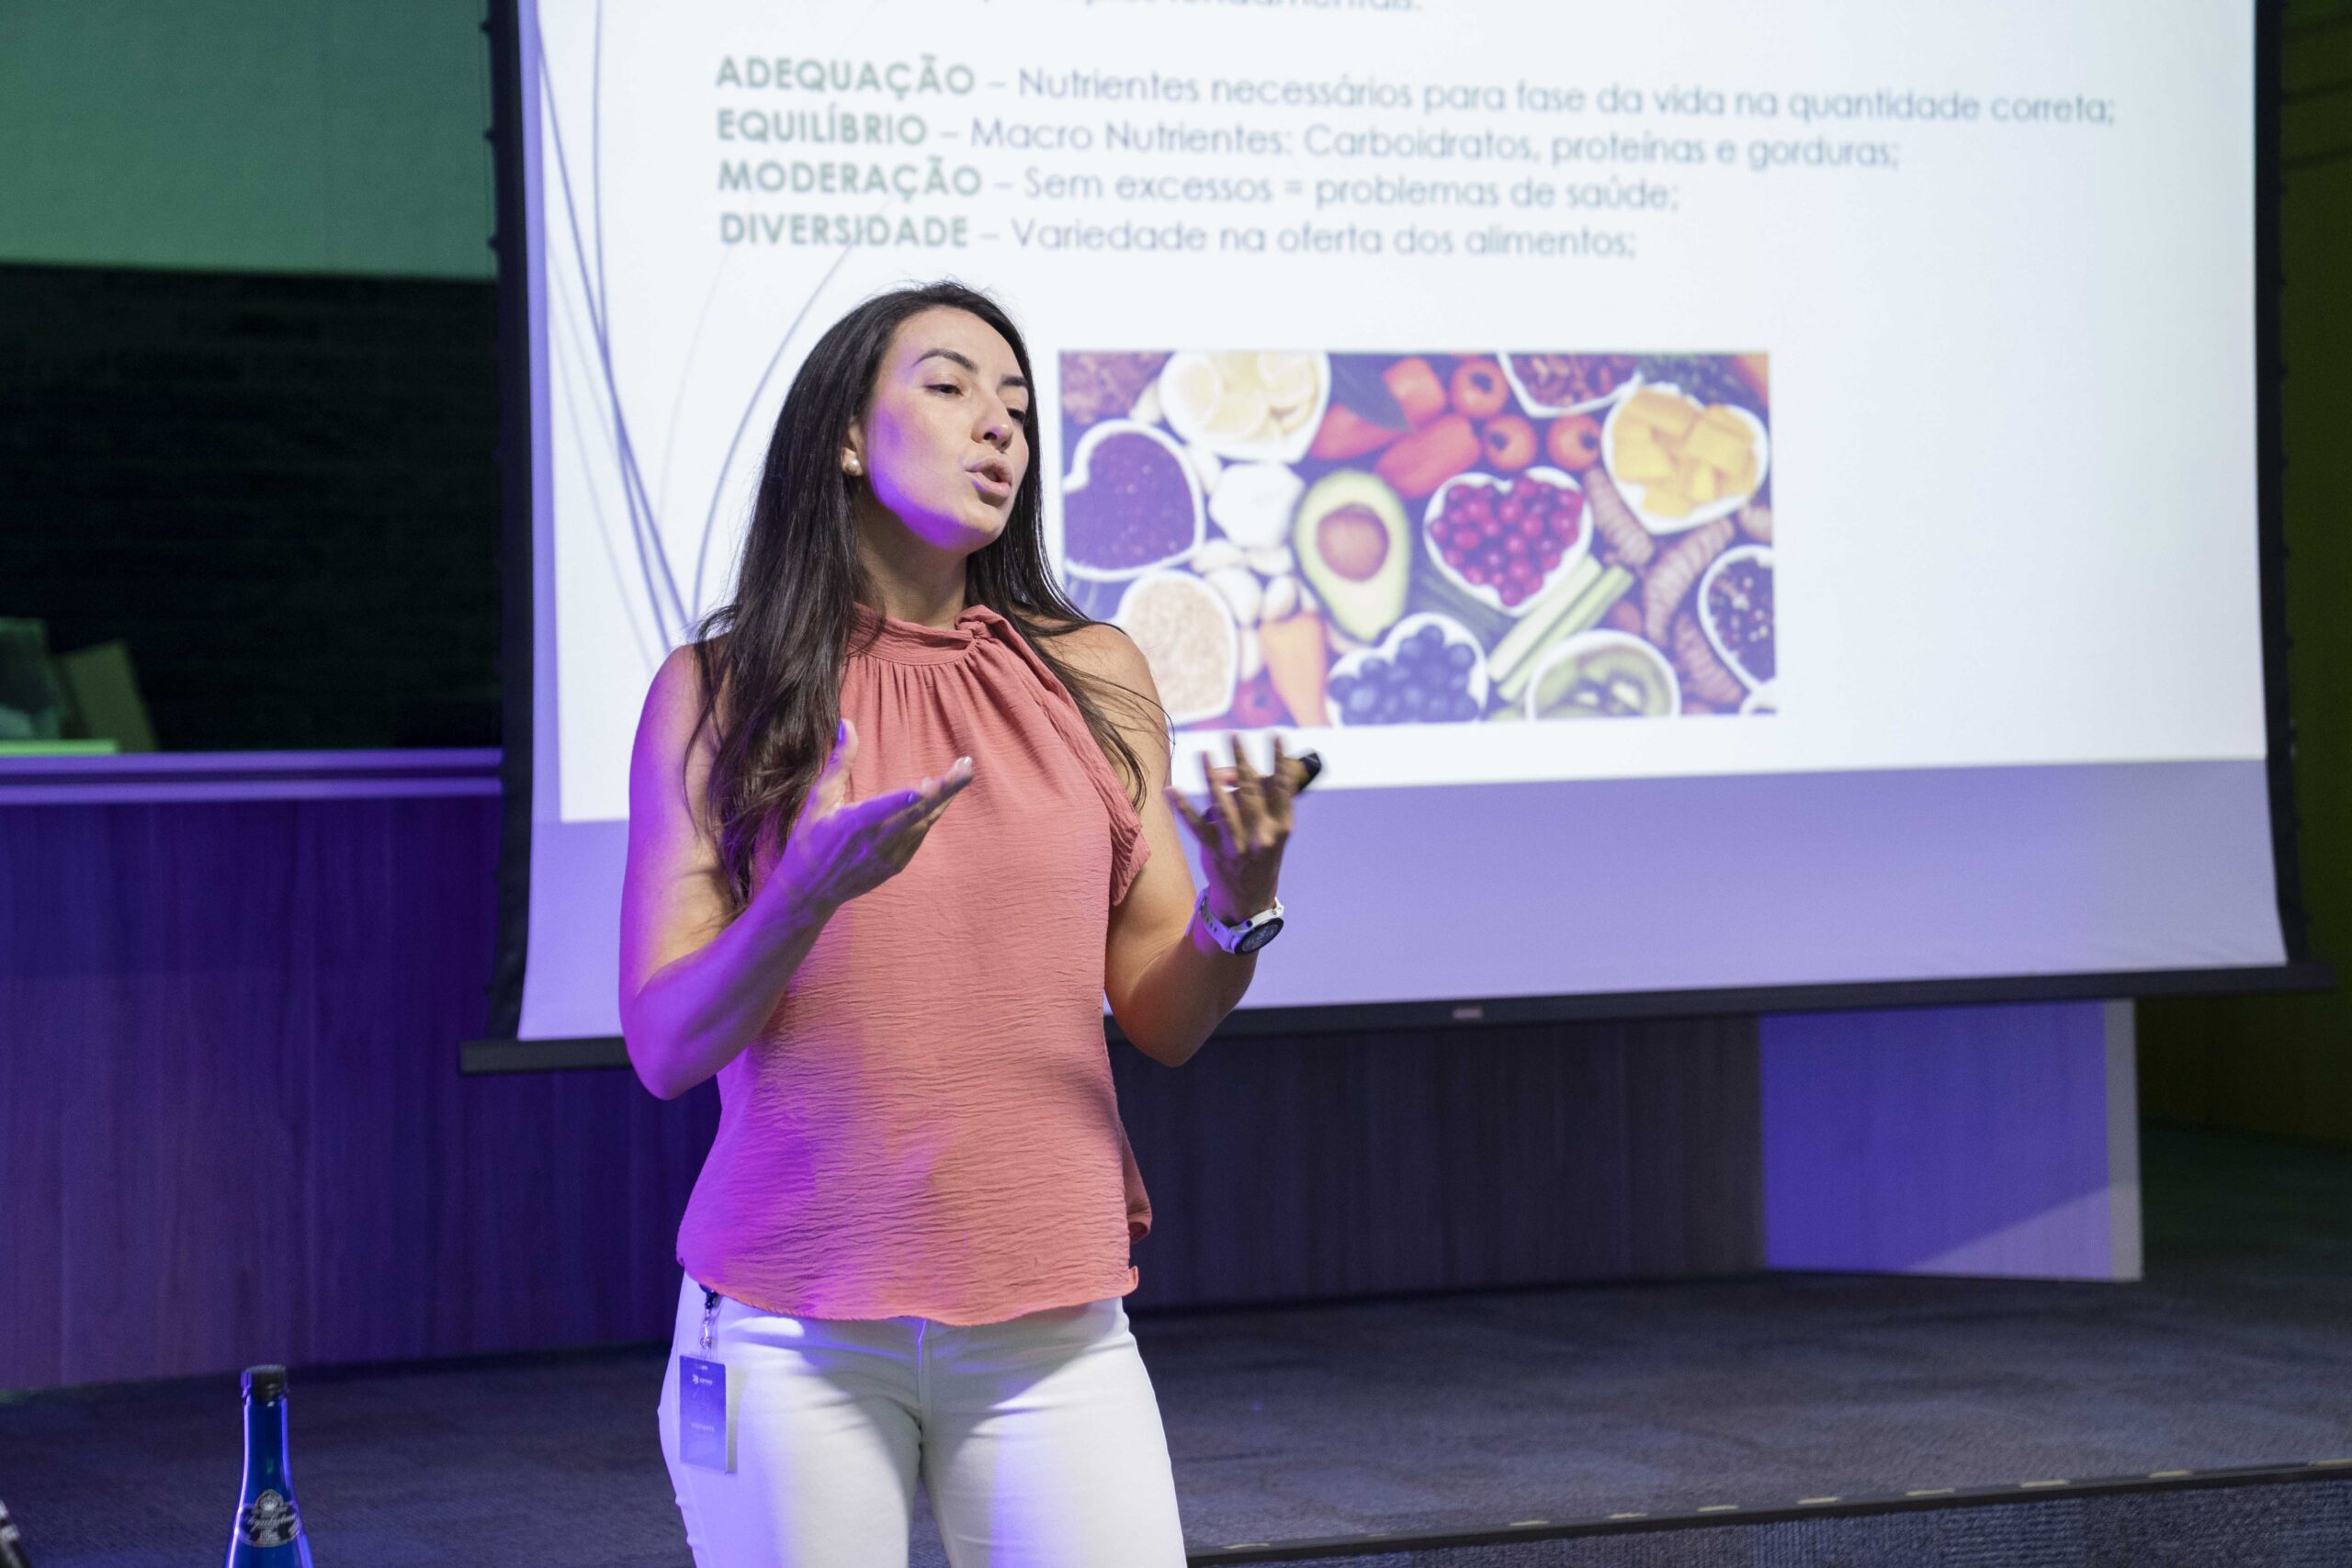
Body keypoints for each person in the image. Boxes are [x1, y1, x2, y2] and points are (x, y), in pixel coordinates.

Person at [617, 280, 1310, 1567]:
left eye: (1017, 405)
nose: (999, 425)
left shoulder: (1094, 674)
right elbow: (665, 1046)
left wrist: (1238, 908)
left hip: (1054, 1321)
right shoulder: (718, 691)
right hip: (787, 1328)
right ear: (843, 434)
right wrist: (806, 893)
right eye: (949, 387)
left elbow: (1162, 1019)